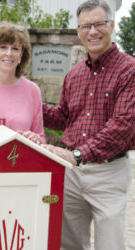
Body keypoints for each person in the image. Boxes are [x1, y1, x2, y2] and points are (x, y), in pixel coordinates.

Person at [42, 0, 134, 249]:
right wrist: (27, 102)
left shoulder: (129, 70)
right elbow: (64, 118)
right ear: (79, 32)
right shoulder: (74, 74)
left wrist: (78, 154)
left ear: (112, 25)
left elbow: (124, 125)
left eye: (99, 24)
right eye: (86, 26)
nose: (92, 32)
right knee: (68, 243)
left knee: (110, 245)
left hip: (108, 172)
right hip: (71, 174)